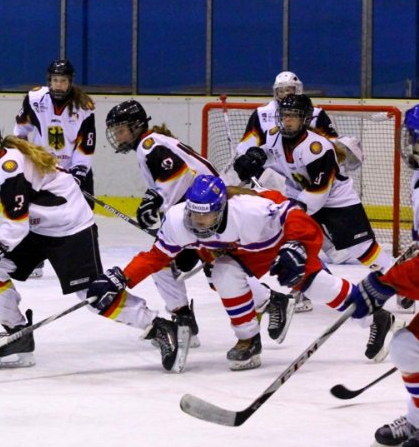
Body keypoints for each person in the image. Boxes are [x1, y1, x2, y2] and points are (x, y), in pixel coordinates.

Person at [0, 116, 189, 372]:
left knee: (93, 295)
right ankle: (18, 335)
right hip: (37, 227)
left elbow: (15, 224)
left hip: (70, 228)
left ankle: (160, 327)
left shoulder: (8, 167)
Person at [87, 174, 387, 371]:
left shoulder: (251, 210)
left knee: (314, 285)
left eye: (207, 214)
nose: (200, 221)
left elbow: (298, 217)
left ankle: (376, 316)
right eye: (195, 213)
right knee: (223, 275)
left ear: (221, 207)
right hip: (239, 250)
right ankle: (249, 341)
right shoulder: (180, 220)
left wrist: (295, 247)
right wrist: (122, 278)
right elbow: (156, 257)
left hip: (275, 239)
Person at [105, 99, 296, 348]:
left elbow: (178, 175)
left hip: (205, 214)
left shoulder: (149, 145)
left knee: (196, 267)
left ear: (136, 125)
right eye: (116, 131)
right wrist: (159, 208)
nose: (118, 136)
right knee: (195, 267)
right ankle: (188, 317)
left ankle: (262, 302)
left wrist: (155, 201)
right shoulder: (151, 144)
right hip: (197, 213)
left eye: (121, 130)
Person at [233, 94, 404, 362]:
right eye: (284, 115)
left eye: (293, 116)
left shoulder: (317, 147)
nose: (287, 121)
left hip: (336, 202)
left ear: (304, 119)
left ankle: (403, 283)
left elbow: (318, 194)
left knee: (363, 250)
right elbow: (267, 153)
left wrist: (290, 212)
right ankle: (312, 286)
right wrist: (252, 158)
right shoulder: (276, 136)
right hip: (300, 199)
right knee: (296, 256)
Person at [345, 102, 419, 447]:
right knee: (414, 347)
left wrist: (385, 284)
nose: (408, 146)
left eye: (415, 140)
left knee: (410, 347)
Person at [230, 71, 363, 313]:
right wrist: (247, 160)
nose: (285, 96)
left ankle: (317, 280)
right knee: (291, 236)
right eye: (281, 91)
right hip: (284, 183)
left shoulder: (315, 113)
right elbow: (249, 147)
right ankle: (309, 283)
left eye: (290, 90)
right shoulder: (261, 114)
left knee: (301, 236)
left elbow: (331, 148)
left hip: (315, 184)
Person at [13, 59, 96, 279]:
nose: (58, 85)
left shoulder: (84, 108)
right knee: (38, 212)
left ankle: (82, 259)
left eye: (63, 81)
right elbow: (21, 132)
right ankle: (35, 258)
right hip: (44, 171)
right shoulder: (35, 99)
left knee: (83, 213)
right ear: (49, 81)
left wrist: (78, 172)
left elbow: (86, 145)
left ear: (70, 82)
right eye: (55, 80)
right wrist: (22, 155)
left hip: (72, 170)